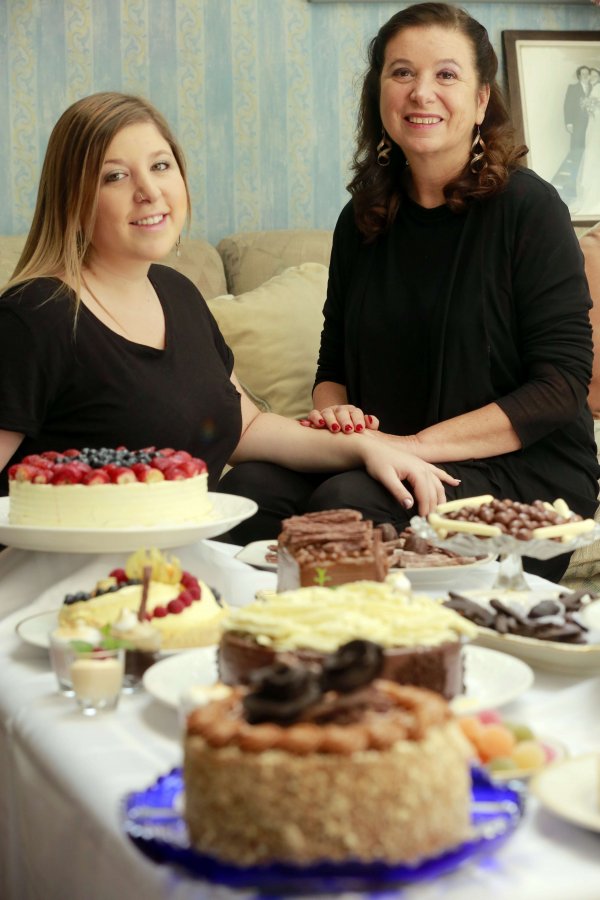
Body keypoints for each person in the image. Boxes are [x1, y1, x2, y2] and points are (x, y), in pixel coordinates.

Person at [0, 92, 456, 538]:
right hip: (60, 584)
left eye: (161, 166)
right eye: (114, 176)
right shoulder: (34, 318)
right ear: (70, 199)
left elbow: (246, 426)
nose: (149, 191)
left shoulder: (176, 293)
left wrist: (365, 447)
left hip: (174, 569)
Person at [298, 2, 599, 581]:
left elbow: (561, 386)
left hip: (527, 472)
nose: (421, 92)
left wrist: (411, 446)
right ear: (379, 92)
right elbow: (331, 366)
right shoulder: (360, 219)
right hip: (390, 457)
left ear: (482, 100)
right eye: (402, 72)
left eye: (446, 75)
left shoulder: (530, 210)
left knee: (348, 505)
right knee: (258, 489)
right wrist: (341, 421)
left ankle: (359, 661)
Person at [551, 65, 590, 206]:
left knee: (589, 152)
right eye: (583, 74)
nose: (586, 76)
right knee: (576, 152)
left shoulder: (594, 87)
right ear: (579, 75)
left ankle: (586, 180)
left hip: (591, 124)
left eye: (587, 73)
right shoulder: (573, 87)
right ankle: (571, 187)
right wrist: (569, 123)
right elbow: (567, 105)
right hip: (578, 124)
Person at [576, 68, 600, 215]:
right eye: (589, 75)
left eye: (594, 74)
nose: (591, 77)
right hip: (592, 124)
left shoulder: (597, 87)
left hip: (597, 123)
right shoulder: (593, 88)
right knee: (591, 150)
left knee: (594, 152)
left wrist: (593, 109)